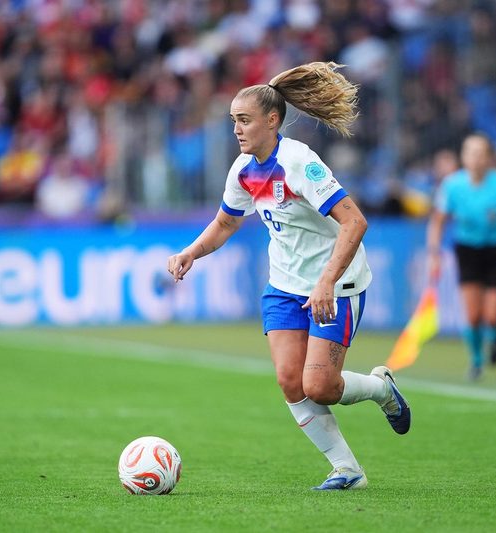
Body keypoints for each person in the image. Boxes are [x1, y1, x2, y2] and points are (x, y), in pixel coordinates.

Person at [167, 62, 410, 491]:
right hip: (284, 285)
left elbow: (354, 222)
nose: (237, 130)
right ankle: (347, 470)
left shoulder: (299, 162)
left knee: (319, 385)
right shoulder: (243, 169)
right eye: (233, 122)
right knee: (289, 381)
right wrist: (191, 252)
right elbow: (225, 223)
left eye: (244, 120)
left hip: (337, 285)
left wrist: (326, 282)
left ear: (272, 120)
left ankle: (381, 389)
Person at [426, 133, 496, 381]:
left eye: (481, 153)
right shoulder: (452, 186)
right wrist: (434, 253)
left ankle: (495, 336)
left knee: (492, 316)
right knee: (472, 316)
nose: (476, 158)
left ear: (489, 157)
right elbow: (438, 221)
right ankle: (476, 360)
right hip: (467, 250)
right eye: (470, 153)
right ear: (463, 156)